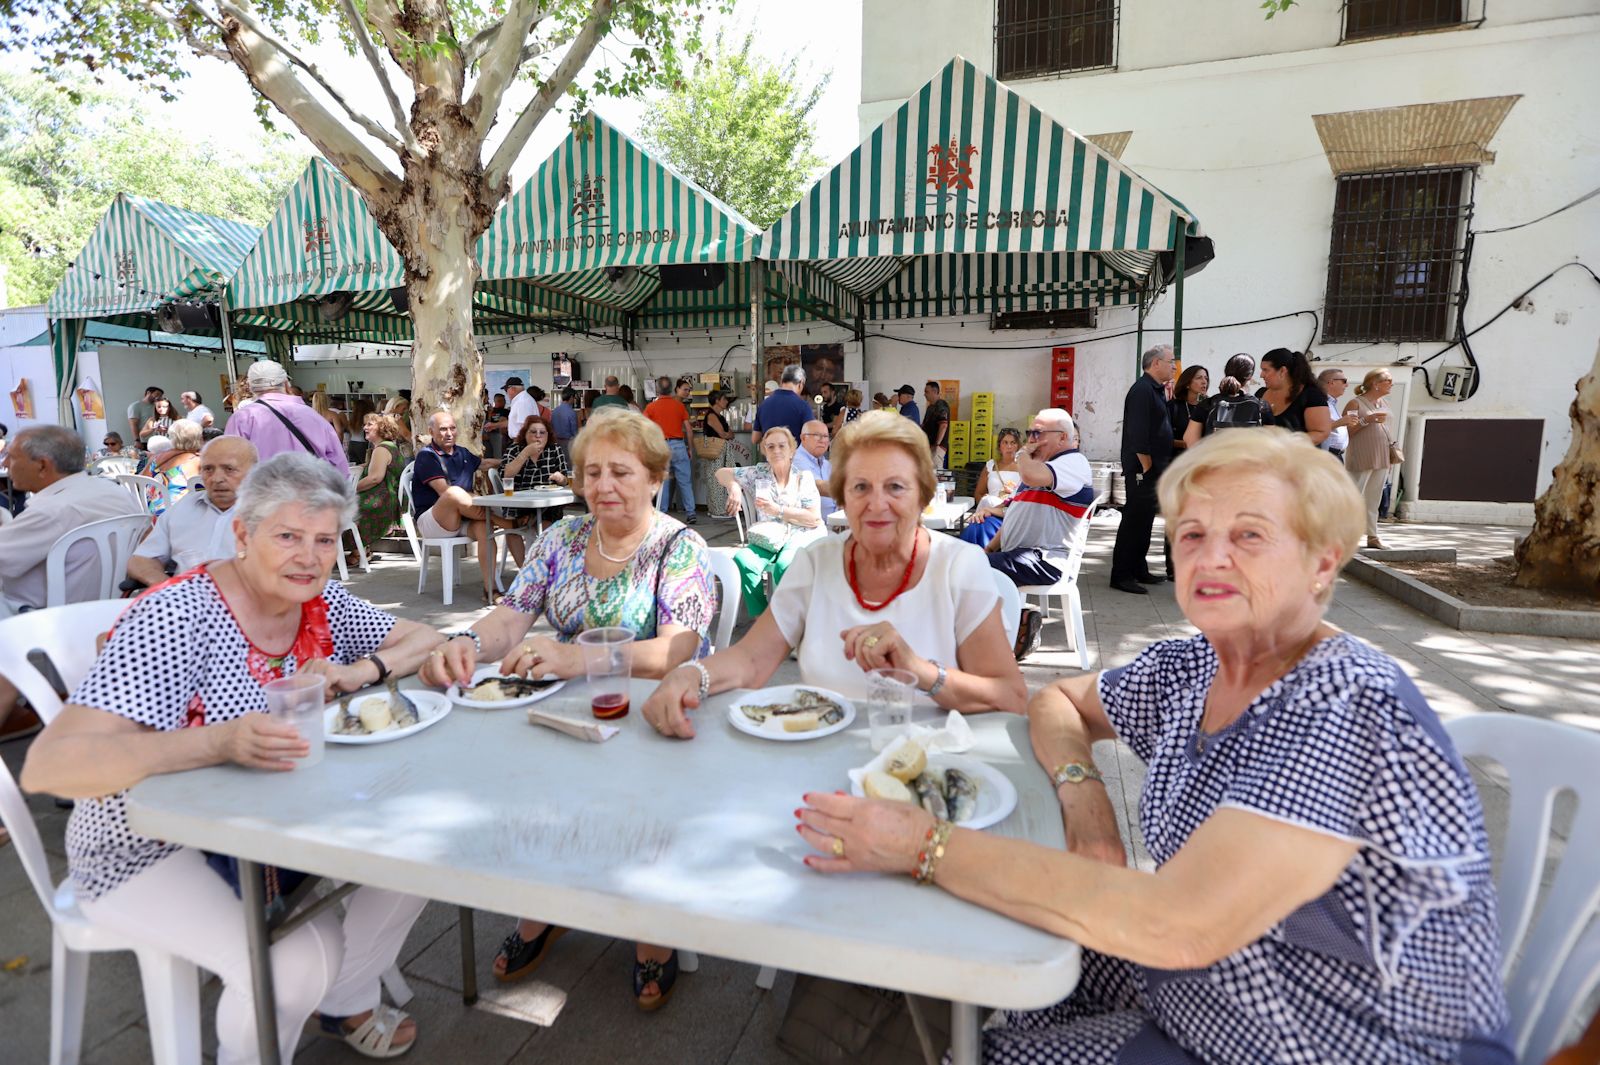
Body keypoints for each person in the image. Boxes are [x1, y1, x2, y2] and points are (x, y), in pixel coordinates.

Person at [795, 427, 1511, 1065]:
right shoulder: (1199, 662)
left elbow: (1176, 924)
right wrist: (1084, 792)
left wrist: (925, 844)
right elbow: (1058, 698)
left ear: (1324, 562)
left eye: (1251, 534)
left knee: (975, 1012)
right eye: (1193, 533)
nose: (1212, 556)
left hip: (1341, 1035)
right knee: (959, 946)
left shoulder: (1347, 704)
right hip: (1205, 988)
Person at [21, 453, 444, 1063]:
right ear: (243, 535)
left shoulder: (318, 602)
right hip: (146, 843)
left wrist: (359, 671)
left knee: (420, 851)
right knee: (302, 958)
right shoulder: (178, 614)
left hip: (272, 821)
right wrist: (219, 741)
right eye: (288, 536)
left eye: (324, 540)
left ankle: (347, 994)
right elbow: (49, 767)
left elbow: (424, 637)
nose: (308, 556)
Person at [418, 411, 714, 1011]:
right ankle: (544, 908)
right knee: (513, 770)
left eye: (621, 472)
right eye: (593, 472)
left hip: (648, 715)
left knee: (631, 787)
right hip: (564, 711)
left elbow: (677, 650)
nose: (604, 485)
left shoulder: (678, 547)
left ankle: (651, 924)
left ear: (655, 478)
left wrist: (576, 659)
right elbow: (511, 617)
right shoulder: (562, 539)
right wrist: (467, 645)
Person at [644, 409, 1025, 736]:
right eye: (860, 487)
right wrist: (692, 675)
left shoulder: (959, 567)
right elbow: (752, 660)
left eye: (895, 486)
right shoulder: (816, 562)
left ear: (923, 495)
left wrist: (920, 671)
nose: (877, 504)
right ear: (842, 496)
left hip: (926, 770)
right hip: (818, 759)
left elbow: (1010, 696)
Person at [984, 410, 1096, 657]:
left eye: (1038, 433)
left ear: (1063, 438)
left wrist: (1022, 454)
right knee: (967, 562)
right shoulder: (1041, 468)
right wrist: (991, 546)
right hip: (1022, 554)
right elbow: (1017, 511)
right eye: (1030, 433)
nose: (1031, 440)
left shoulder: (1072, 462)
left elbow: (1031, 475)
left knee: (971, 569)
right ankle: (1017, 623)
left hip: (1046, 558)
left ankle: (1009, 631)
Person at [0, 426, 144, 614]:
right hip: (108, 607)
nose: (5, 463)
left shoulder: (50, 511)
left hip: (34, 615)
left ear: (43, 465)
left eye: (12, 456)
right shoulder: (117, 492)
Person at [716, 426, 825, 616]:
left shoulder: (803, 477)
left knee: (784, 565)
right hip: (770, 537)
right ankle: (762, 617)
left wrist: (778, 510)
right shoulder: (759, 473)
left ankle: (790, 618)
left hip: (801, 534)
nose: (776, 451)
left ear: (792, 450)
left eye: (782, 446)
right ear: (765, 452)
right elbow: (721, 473)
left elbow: (813, 518)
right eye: (770, 447)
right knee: (744, 560)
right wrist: (734, 486)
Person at [127, 437, 257, 588]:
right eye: (208, 469)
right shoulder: (183, 508)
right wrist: (170, 589)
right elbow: (141, 560)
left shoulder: (269, 515)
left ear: (254, 472)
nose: (217, 478)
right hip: (184, 603)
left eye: (229, 469)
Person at [410, 409, 500, 602]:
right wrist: (474, 497)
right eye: (443, 429)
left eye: (452, 428)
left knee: (486, 529)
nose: (449, 433)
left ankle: (490, 590)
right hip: (433, 521)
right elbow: (445, 493)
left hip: (461, 519)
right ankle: (504, 521)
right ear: (431, 431)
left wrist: (509, 462)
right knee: (453, 492)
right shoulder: (427, 456)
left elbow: (483, 464)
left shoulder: (462, 452)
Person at [1110, 345, 1176, 595]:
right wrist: (1147, 468)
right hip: (1142, 469)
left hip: (1154, 468)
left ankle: (1139, 568)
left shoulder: (1156, 390)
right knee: (1134, 520)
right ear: (1156, 363)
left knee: (1145, 520)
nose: (1174, 366)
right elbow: (1138, 435)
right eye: (1171, 361)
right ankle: (1121, 574)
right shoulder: (1141, 390)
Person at [225, 361, 347, 471]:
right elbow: (339, 465)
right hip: (313, 491)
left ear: (252, 388)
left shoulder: (242, 418)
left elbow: (231, 464)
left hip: (263, 492)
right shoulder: (313, 416)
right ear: (286, 385)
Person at [498, 417, 571, 567]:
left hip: (548, 505)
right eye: (533, 432)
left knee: (546, 526)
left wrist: (560, 478)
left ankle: (543, 569)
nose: (538, 436)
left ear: (548, 435)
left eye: (542, 433)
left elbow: (566, 481)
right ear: (525, 434)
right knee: (510, 528)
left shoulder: (554, 449)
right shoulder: (515, 449)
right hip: (519, 503)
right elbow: (506, 475)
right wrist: (525, 453)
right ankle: (525, 572)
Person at [1345, 369, 1397, 549]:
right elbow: (1346, 431)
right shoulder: (1355, 403)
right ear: (1375, 383)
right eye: (1388, 381)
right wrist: (1367, 420)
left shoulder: (1383, 402)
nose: (1391, 384)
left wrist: (1391, 455)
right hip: (1361, 455)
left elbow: (1387, 428)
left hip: (1381, 456)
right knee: (1354, 496)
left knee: (1374, 498)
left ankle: (1372, 536)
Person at [349, 413, 407, 566]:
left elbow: (375, 478)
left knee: (341, 508)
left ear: (381, 428)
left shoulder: (381, 450)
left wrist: (350, 488)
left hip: (384, 500)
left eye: (369, 425)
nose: (365, 428)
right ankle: (360, 550)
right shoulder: (388, 447)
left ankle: (357, 551)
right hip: (389, 497)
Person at [1181, 353, 1262, 448]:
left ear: (1226, 371)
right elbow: (1271, 443)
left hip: (1216, 461)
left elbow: (1190, 440)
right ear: (1250, 376)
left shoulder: (1207, 404)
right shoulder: (1261, 406)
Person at [960, 428, 1024, 549]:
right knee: (983, 511)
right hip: (988, 508)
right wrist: (987, 503)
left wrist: (1012, 493)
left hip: (1010, 510)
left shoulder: (1024, 467)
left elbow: (1026, 494)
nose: (1009, 446)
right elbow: (978, 493)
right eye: (1005, 442)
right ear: (999, 446)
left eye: (1013, 442)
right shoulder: (991, 465)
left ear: (1018, 446)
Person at [644, 376, 696, 522]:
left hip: (661, 447)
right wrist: (690, 448)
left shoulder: (651, 407)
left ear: (657, 389)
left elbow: (644, 429)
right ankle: (691, 513)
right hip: (679, 445)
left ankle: (662, 514)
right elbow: (688, 429)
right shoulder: (679, 406)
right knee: (685, 481)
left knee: (663, 482)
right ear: (671, 388)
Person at [1258, 348, 1332, 445]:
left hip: (1300, 457)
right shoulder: (1263, 393)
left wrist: (1284, 443)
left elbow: (1321, 433)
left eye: (1266, 370)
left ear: (1282, 371)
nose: (1261, 375)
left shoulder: (1311, 395)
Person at [700, 389, 749, 519]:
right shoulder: (711, 415)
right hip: (716, 451)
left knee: (721, 479)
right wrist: (728, 434)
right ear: (717, 400)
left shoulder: (719, 416)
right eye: (724, 399)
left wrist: (728, 434)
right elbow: (724, 434)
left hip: (721, 449)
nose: (726, 401)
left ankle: (719, 508)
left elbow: (730, 434)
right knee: (716, 480)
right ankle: (717, 510)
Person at [145, 418, 204, 514]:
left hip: (152, 513)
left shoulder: (157, 458)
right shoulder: (195, 461)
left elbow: (141, 480)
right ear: (198, 438)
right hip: (177, 514)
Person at [753, 364, 813, 450]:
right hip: (795, 460)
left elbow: (755, 439)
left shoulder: (764, 405)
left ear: (781, 381)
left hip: (772, 459)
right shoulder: (803, 406)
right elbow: (811, 437)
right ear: (800, 383)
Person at [1317, 366, 1360, 464]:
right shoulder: (1320, 402)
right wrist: (1341, 422)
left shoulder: (1331, 403)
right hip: (1328, 455)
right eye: (1344, 381)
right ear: (1331, 382)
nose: (1347, 385)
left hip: (1335, 455)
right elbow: (1318, 428)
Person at [794, 419, 836, 520]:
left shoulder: (825, 463)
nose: (822, 440)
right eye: (817, 435)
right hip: (812, 528)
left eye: (826, 436)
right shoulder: (796, 459)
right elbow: (817, 486)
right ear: (803, 438)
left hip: (835, 524)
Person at [1166, 364, 1209, 454]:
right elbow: (1163, 439)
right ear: (1187, 384)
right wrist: (1188, 444)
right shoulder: (1173, 406)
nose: (1204, 381)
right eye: (1199, 378)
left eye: (1206, 378)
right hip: (1178, 461)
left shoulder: (1209, 406)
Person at [921, 380, 950, 466]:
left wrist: (937, 444)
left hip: (937, 447)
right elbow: (924, 425)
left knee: (935, 474)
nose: (924, 394)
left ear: (934, 391)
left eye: (926, 392)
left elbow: (943, 425)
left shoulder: (941, 405)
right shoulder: (930, 407)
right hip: (929, 446)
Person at [503, 375, 538, 443]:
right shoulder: (522, 399)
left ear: (512, 389)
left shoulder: (522, 401)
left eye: (506, 390)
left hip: (522, 441)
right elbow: (516, 422)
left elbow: (525, 425)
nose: (506, 393)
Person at [550, 387, 580, 457]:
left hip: (556, 442)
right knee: (569, 464)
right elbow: (574, 432)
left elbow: (551, 427)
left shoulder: (554, 411)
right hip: (568, 442)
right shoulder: (571, 412)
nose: (574, 400)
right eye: (574, 398)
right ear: (571, 397)